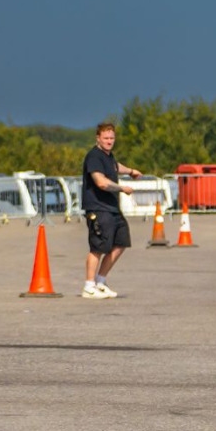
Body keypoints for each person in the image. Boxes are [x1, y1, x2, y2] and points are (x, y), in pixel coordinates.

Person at [81, 122, 142, 299]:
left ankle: (100, 281)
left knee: (121, 242)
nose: (109, 141)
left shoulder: (108, 156)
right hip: (98, 208)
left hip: (112, 208)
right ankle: (89, 286)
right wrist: (122, 188)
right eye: (106, 138)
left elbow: (115, 166)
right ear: (98, 138)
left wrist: (130, 171)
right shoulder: (94, 156)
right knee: (98, 247)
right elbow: (100, 182)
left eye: (112, 138)